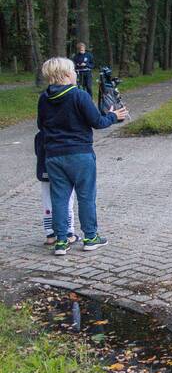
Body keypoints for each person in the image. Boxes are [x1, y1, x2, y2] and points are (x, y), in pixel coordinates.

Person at [36, 56, 128, 256]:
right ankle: (90, 237)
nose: (76, 74)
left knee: (59, 198)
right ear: (67, 74)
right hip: (80, 154)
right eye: (74, 71)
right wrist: (114, 116)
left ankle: (61, 241)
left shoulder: (44, 98)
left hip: (53, 155)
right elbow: (97, 122)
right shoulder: (79, 95)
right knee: (86, 196)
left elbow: (40, 125)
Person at [35, 130, 78, 248]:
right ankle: (69, 232)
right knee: (67, 201)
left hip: (44, 171)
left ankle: (50, 234)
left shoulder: (40, 135)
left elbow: (37, 153)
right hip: (61, 172)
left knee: (47, 203)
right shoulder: (63, 134)